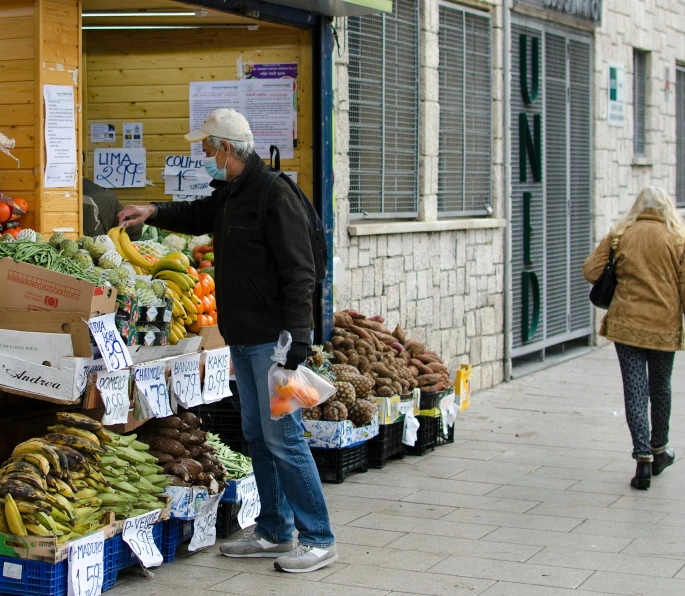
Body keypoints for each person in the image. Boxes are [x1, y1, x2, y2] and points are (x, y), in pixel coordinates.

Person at [117, 108, 336, 573]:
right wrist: (152, 211)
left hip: (274, 343)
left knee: (285, 438)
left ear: (227, 150)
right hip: (243, 337)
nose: (203, 155)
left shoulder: (273, 194)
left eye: (207, 147)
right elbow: (197, 212)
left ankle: (318, 536)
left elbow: (301, 272)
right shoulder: (233, 191)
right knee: (259, 435)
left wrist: (298, 340)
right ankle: (275, 530)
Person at [583, 187, 684, 490]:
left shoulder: (620, 235)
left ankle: (642, 462)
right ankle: (659, 450)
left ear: (638, 207)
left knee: (635, 390)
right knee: (661, 388)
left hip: (626, 325)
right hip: (663, 327)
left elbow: (591, 270)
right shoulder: (677, 239)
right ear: (666, 208)